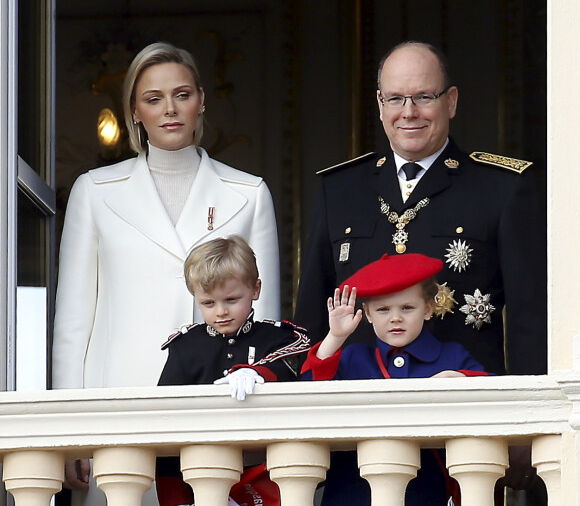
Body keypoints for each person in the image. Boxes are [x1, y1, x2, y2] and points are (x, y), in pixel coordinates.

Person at [293, 40, 547, 501]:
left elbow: (531, 320)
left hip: (465, 435)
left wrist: (524, 428)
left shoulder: (502, 187)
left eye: (424, 97)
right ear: (380, 104)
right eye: (396, 98)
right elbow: (312, 315)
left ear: (450, 101)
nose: (408, 112)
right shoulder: (340, 189)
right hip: (354, 437)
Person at [52, 43, 281, 504]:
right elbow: (74, 323)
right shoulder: (94, 191)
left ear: (201, 100)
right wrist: (67, 429)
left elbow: (266, 326)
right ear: (134, 110)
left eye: (181, 94)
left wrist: (258, 428)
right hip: (116, 408)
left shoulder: (249, 193)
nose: (169, 109)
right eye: (153, 98)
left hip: (216, 411)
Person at [302, 252, 488, 506]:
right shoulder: (353, 357)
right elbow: (306, 394)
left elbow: (491, 391)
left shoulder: (451, 356)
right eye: (383, 309)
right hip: (353, 491)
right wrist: (335, 337)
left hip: (424, 492)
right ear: (367, 314)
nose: (395, 317)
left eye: (407, 308)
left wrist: (459, 378)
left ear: (428, 309)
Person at [156, 235, 310, 506]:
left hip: (265, 477)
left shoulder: (278, 339)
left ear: (255, 289)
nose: (221, 312)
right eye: (208, 303)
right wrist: (175, 500)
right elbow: (167, 425)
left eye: (231, 299)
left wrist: (259, 373)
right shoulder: (186, 347)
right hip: (201, 481)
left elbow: (294, 367)